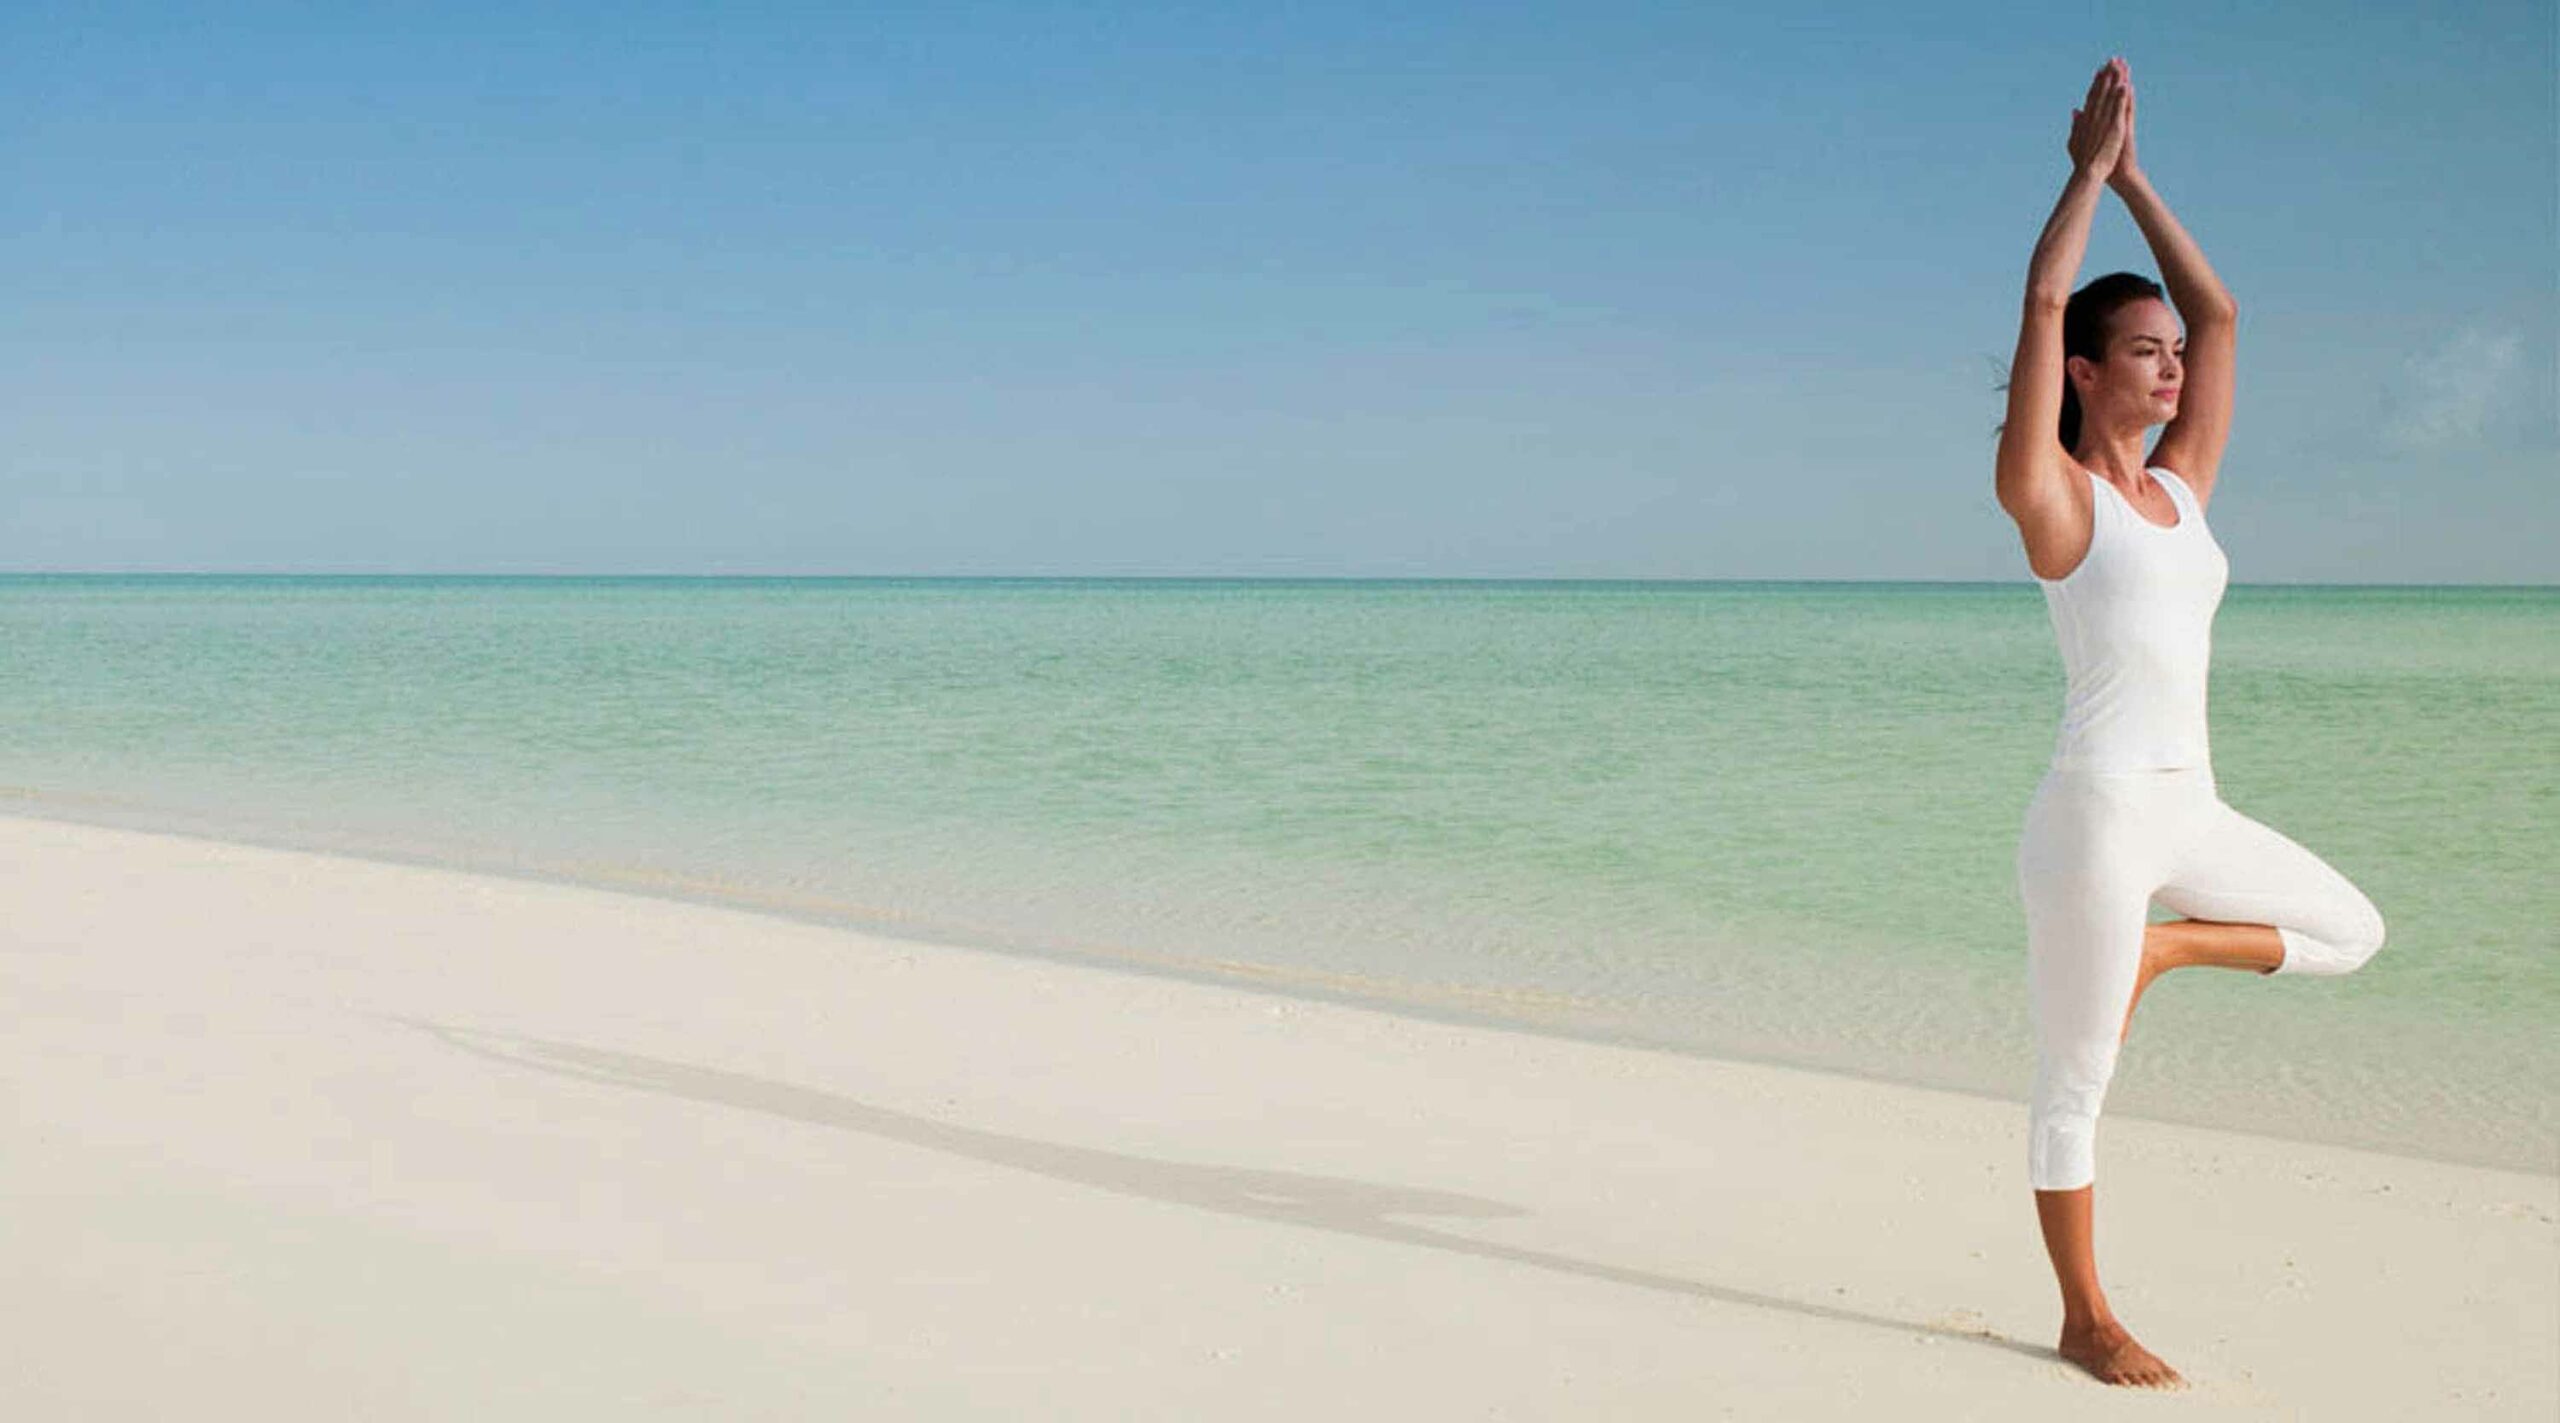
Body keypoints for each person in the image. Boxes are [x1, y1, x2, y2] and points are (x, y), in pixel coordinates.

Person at [1994, 57, 2389, 1390]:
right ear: (2088, 372)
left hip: (2193, 805)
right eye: (2144, 356)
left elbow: (2222, 313)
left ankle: (2170, 953)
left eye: (2173, 360)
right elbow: (2047, 298)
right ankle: (2084, 1316)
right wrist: (2084, 180)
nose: (2172, 371)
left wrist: (2143, 177)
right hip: (2096, 815)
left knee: (2355, 931)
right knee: (2075, 1086)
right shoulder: (2056, 499)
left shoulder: (2185, 491)